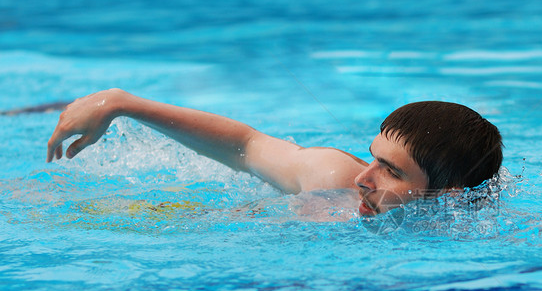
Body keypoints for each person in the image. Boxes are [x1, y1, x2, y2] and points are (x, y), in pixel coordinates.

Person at [46, 89, 503, 217]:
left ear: (448, 196)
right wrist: (123, 104)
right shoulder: (334, 179)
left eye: (390, 172)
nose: (364, 178)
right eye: (372, 157)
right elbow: (246, 145)